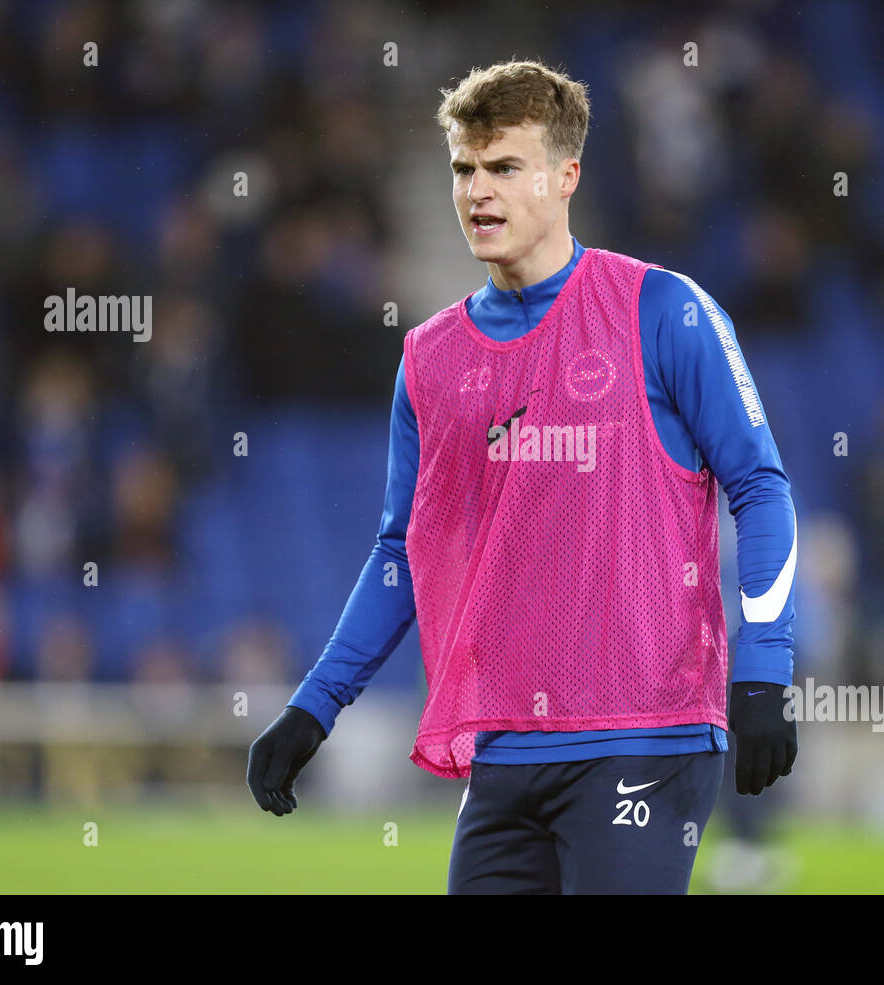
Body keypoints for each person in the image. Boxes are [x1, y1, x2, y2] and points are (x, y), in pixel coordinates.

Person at [247, 60, 798, 894]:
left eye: (504, 166)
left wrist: (764, 665)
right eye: (464, 169)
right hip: (504, 746)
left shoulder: (663, 311)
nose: (478, 190)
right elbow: (403, 549)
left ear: (565, 175)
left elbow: (762, 489)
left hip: (643, 734)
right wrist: (315, 704)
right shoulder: (430, 358)